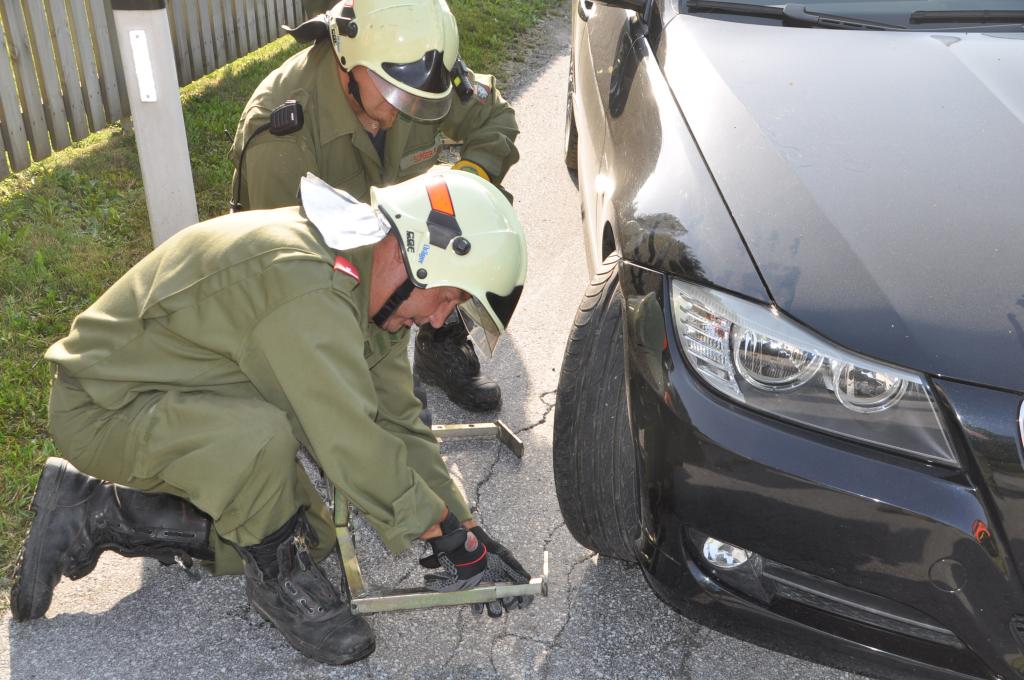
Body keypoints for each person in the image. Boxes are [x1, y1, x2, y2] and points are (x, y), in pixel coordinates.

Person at [9, 169, 531, 665]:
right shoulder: (309, 287)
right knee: (263, 444)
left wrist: (464, 524)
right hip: (105, 409)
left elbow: (398, 421)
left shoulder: (368, 284)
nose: (438, 320)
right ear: (416, 254)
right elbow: (348, 440)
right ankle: (277, 582)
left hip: (179, 393)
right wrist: (440, 531)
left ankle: (93, 513)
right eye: (446, 297)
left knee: (310, 536)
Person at [230, 0, 519, 413]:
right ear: (350, 60)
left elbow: (496, 119)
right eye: (393, 92)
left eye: (417, 97)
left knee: (479, 223)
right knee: (386, 417)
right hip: (326, 278)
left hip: (393, 259)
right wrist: (378, 379)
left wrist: (466, 187)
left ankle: (440, 342)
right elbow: (288, 283)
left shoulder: (416, 71)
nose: (406, 107)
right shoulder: (281, 136)